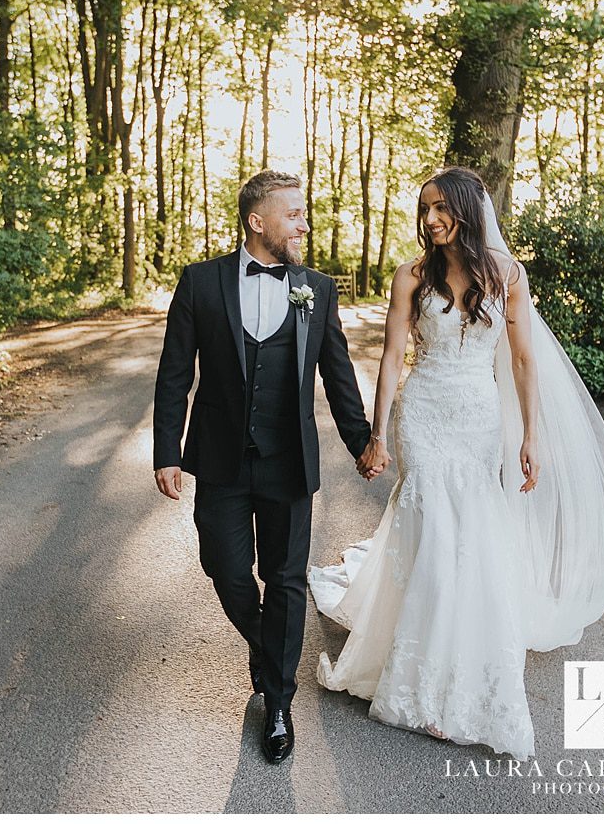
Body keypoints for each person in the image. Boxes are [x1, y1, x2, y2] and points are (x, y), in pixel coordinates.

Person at [309, 166, 604, 759]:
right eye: (425, 209)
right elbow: (390, 358)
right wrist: (377, 431)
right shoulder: (410, 275)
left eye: (440, 208)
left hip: (477, 419)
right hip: (425, 412)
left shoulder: (507, 275)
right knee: (434, 529)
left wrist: (531, 436)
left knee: (471, 535)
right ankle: (419, 672)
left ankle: (462, 660)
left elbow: (521, 361)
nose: (431, 219)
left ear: (466, 208)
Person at [153, 169, 372, 764]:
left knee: (286, 577)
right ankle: (267, 649)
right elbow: (176, 372)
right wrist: (166, 452)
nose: (304, 223)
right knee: (223, 565)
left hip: (288, 463)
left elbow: (338, 374)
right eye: (293, 214)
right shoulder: (200, 283)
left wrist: (361, 443)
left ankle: (277, 702)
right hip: (220, 462)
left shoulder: (317, 289)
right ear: (257, 221)